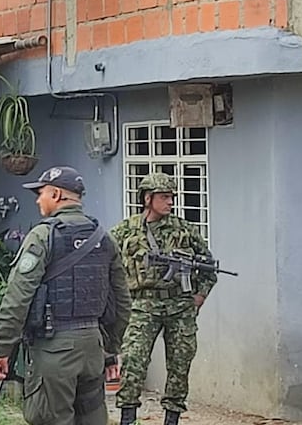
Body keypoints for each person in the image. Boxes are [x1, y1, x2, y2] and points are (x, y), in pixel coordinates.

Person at [0, 166, 131, 425]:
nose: (37, 199)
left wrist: (1, 348)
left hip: (55, 350)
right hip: (92, 349)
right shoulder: (103, 238)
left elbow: (18, 297)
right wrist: (110, 351)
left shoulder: (43, 236)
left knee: (50, 419)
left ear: (55, 194)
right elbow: (121, 302)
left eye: (40, 193)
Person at [110, 172, 217, 425]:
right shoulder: (126, 230)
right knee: (134, 359)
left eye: (171, 197)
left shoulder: (184, 230)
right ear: (148, 199)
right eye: (164, 197)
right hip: (141, 305)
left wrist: (200, 295)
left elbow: (209, 265)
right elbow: (106, 261)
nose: (170, 202)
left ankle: (172, 418)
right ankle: (127, 417)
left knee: (180, 364)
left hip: (179, 305)